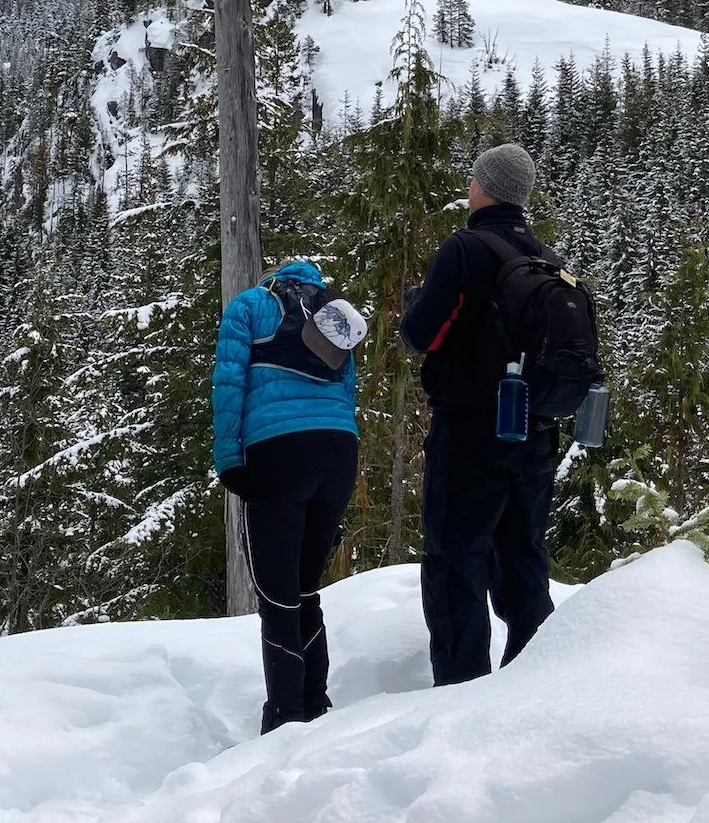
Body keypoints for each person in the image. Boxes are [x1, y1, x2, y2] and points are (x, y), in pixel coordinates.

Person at [398, 142, 560, 687]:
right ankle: (535, 681)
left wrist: (418, 302)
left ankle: (461, 693)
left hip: (470, 432)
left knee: (454, 561)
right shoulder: (544, 259)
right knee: (523, 557)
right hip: (535, 434)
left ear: (482, 187)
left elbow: (422, 334)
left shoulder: (464, 250)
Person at [212, 259, 365, 733]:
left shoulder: (251, 305)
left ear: (276, 278)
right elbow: (348, 389)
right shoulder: (333, 312)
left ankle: (285, 715)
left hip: (278, 451)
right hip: (338, 451)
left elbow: (228, 383)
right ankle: (315, 703)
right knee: (304, 586)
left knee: (277, 595)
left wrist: (229, 460)